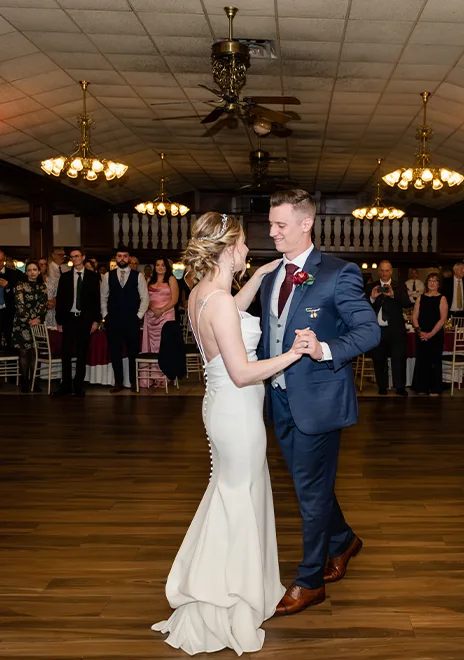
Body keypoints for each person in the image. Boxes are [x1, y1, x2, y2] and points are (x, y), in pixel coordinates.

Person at [152, 212, 310, 655]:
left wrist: (260, 276)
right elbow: (242, 371)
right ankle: (229, 597)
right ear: (227, 249)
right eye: (243, 245)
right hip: (238, 409)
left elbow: (230, 314)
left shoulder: (203, 295)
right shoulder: (218, 300)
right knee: (238, 496)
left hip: (220, 407)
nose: (248, 250)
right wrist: (294, 354)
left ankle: (227, 582)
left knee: (231, 491)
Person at [260, 190, 380, 616]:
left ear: (306, 224)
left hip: (318, 401)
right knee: (307, 484)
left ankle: (309, 581)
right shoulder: (272, 273)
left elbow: (369, 332)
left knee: (309, 492)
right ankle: (343, 539)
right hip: (278, 399)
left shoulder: (337, 273)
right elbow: (269, 331)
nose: (271, 232)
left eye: (280, 225)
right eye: (271, 224)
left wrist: (324, 348)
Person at [53, 247, 101, 398]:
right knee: (65, 354)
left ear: (83, 257)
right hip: (68, 319)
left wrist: (96, 321)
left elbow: (96, 301)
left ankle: (78, 385)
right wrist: (59, 321)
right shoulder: (65, 277)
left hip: (85, 320)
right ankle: (65, 385)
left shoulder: (93, 277)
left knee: (82, 354)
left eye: (77, 256)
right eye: (72, 257)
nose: (75, 259)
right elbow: (60, 300)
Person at [101, 247, 149, 393]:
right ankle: (118, 382)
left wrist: (138, 316)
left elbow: (145, 297)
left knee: (132, 352)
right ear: (116, 258)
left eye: (125, 256)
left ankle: (133, 382)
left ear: (129, 258)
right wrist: (105, 315)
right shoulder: (108, 276)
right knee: (115, 352)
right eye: (119, 256)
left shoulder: (138, 276)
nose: (122, 258)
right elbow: (103, 297)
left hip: (131, 320)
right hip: (113, 320)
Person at [366, 260, 412, 396]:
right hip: (378, 329)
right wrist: (372, 299)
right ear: (378, 272)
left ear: (391, 271)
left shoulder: (399, 286)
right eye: (382, 270)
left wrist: (393, 295)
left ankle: (400, 387)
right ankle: (382, 386)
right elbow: (364, 307)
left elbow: (406, 303)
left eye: (387, 270)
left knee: (399, 359)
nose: (384, 273)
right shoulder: (371, 287)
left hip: (396, 330)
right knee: (379, 359)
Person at [140, 257, 179, 387]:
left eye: (163, 265)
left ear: (166, 267)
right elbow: (145, 298)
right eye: (157, 265)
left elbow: (174, 299)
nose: (160, 267)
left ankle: (165, 376)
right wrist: (152, 309)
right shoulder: (149, 280)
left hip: (166, 315)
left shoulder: (171, 279)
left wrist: (161, 310)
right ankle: (152, 377)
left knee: (165, 346)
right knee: (151, 347)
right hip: (151, 316)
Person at [12, 261, 47, 393]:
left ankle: (34, 382)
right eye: (29, 270)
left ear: (39, 271)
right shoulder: (20, 285)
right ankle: (25, 383)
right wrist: (29, 320)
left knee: (35, 352)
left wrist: (38, 318)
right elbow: (19, 304)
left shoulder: (42, 286)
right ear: (26, 272)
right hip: (22, 324)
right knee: (24, 352)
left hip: (37, 324)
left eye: (35, 269)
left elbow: (43, 306)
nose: (32, 272)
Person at [411, 272, 448, 396]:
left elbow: (443, 319)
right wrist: (419, 331)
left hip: (435, 334)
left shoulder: (442, 298)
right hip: (421, 334)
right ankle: (421, 387)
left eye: (435, 280)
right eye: (430, 280)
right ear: (427, 283)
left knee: (434, 362)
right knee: (422, 361)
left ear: (438, 284)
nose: (432, 282)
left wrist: (431, 334)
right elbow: (414, 316)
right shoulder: (421, 298)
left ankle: (435, 388)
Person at [0, 247, 26, 349]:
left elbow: (22, 292)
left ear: (5, 260)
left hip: (9, 315)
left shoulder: (15, 274)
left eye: (0, 260)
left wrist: (8, 286)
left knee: (11, 345)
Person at [38, 258, 58, 329]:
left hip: (52, 310)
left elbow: (57, 293)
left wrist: (54, 301)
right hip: (40, 310)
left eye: (45, 264)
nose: (43, 266)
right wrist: (46, 303)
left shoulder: (52, 279)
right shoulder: (34, 280)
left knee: (52, 335)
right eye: (41, 264)